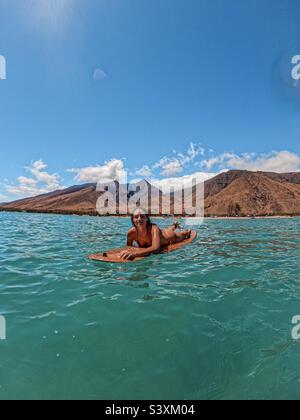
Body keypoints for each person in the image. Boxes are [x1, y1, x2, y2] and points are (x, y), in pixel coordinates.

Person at [120, 208, 192, 260]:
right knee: (164, 230)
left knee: (182, 235)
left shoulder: (154, 228)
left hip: (170, 236)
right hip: (161, 233)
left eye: (142, 216)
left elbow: (156, 249)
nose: (139, 219)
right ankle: (174, 225)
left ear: (147, 218)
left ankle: (186, 231)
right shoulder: (131, 233)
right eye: (136, 217)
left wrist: (134, 254)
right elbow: (128, 247)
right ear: (132, 219)